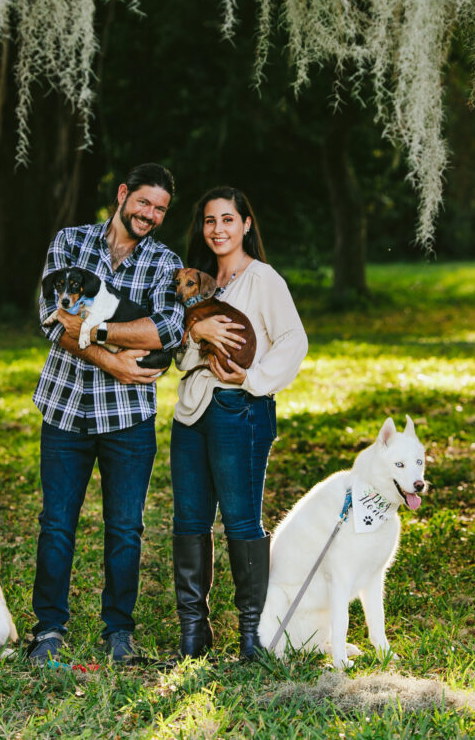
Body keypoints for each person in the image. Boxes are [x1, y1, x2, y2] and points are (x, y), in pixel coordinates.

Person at [28, 163, 184, 665]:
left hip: (129, 418)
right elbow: (52, 319)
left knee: (125, 528)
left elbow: (166, 332)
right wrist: (115, 359)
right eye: (144, 203)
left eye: (160, 209)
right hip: (66, 407)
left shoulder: (164, 261)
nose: (150, 215)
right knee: (56, 524)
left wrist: (93, 332)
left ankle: (119, 633)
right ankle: (49, 630)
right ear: (123, 195)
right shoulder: (71, 242)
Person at [171, 186, 308, 660]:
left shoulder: (263, 279)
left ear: (246, 224)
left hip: (240, 410)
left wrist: (253, 378)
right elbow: (183, 356)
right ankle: (195, 631)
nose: (218, 229)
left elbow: (294, 340)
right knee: (189, 521)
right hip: (191, 410)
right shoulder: (197, 281)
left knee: (241, 520)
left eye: (228, 219)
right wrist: (194, 331)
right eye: (210, 221)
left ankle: (252, 635)